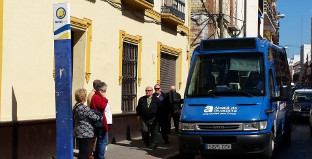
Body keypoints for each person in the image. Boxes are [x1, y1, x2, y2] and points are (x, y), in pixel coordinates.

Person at [73, 88, 102, 159]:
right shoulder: (84, 108)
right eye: (85, 96)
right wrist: (100, 117)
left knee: (82, 151)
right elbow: (95, 117)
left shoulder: (75, 106)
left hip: (79, 131)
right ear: (83, 97)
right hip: (86, 133)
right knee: (85, 153)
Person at [90, 82, 109, 159]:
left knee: (100, 141)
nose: (105, 93)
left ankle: (97, 155)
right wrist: (104, 98)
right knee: (103, 141)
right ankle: (100, 157)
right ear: (101, 91)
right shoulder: (97, 97)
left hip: (99, 121)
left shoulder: (95, 96)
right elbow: (102, 106)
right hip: (100, 122)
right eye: (104, 91)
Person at [87, 79, 101, 159]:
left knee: (93, 137)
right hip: (95, 116)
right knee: (94, 137)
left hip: (92, 116)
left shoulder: (90, 93)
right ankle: (91, 154)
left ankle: (91, 153)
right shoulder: (94, 94)